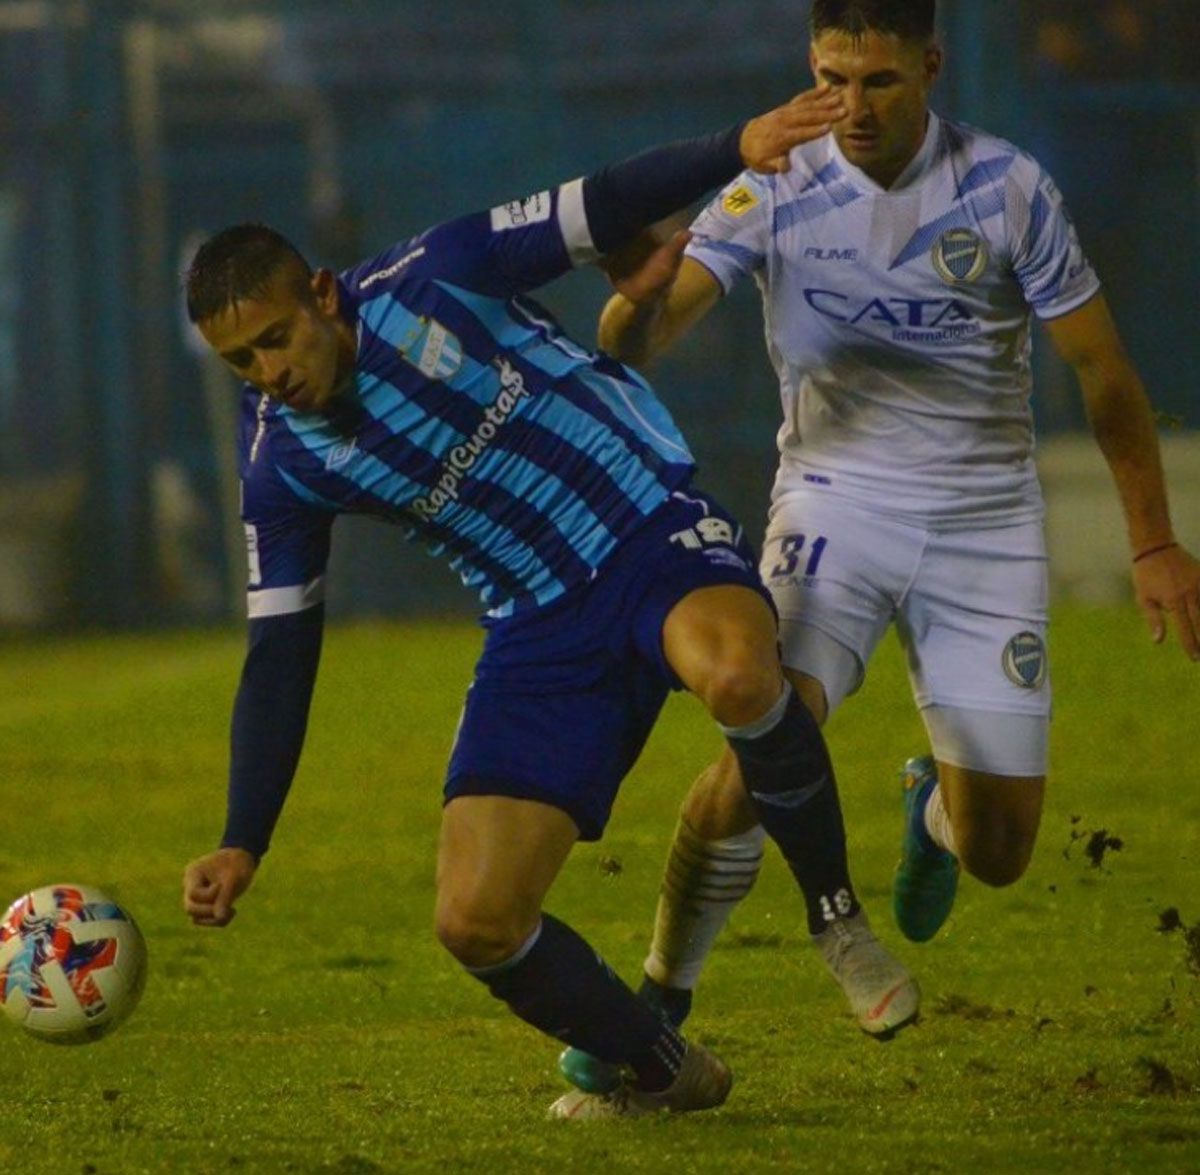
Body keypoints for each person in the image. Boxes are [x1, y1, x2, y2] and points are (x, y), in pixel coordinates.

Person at [178, 87, 914, 1121]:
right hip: (536, 629)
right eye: (238, 363)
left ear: (322, 294)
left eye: (271, 340)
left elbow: (599, 203)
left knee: (742, 674)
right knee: (474, 919)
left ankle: (836, 917)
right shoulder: (280, 468)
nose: (267, 375)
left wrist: (733, 147)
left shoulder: (437, 276)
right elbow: (281, 653)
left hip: (643, 528)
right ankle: (659, 1065)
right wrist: (242, 836)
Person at [558, 0, 1200, 1095]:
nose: (850, 107)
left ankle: (933, 812)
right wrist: (634, 308)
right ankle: (656, 1001)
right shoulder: (774, 181)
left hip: (985, 522)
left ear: (931, 69)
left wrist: (1154, 541)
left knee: (999, 850)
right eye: (830, 78)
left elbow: (1102, 371)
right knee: (761, 733)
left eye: (879, 84)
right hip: (833, 509)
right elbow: (651, 332)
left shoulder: (1006, 187)